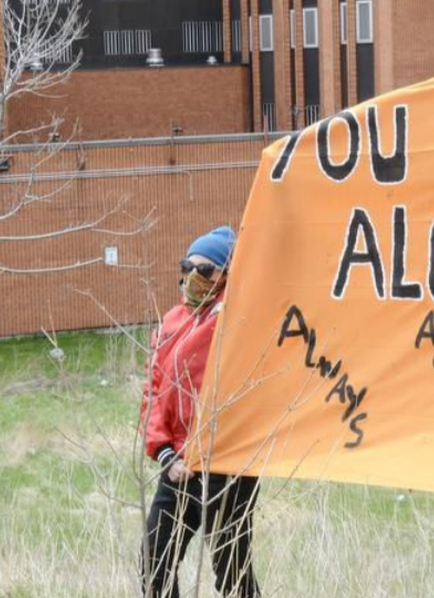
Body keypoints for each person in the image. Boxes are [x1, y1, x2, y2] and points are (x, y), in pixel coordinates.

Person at [140, 225, 261, 598]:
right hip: (178, 465)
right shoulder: (171, 322)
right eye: (187, 266)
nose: (193, 276)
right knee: (154, 565)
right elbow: (154, 393)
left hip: (227, 466)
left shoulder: (238, 318)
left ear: (226, 275)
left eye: (205, 269)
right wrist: (164, 454)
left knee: (232, 573)